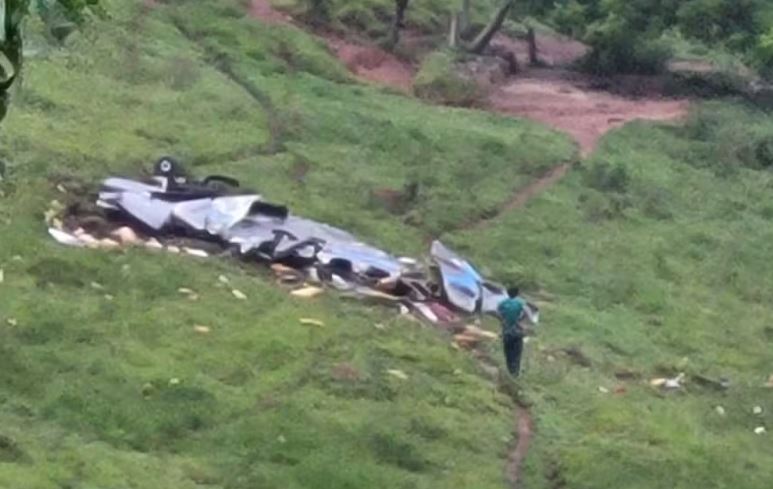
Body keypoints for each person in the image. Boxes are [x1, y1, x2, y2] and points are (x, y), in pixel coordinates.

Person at [497, 287, 527, 376]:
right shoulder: (521, 303)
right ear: (518, 293)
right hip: (517, 332)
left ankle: (510, 371)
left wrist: (503, 320)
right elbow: (526, 313)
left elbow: (497, 312)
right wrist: (520, 320)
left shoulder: (502, 303)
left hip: (506, 332)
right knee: (517, 353)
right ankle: (515, 373)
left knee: (508, 353)